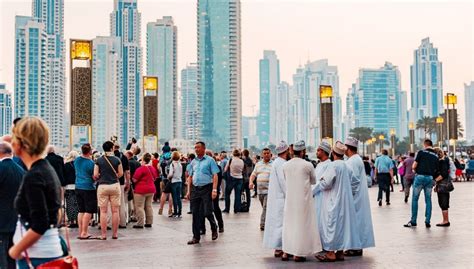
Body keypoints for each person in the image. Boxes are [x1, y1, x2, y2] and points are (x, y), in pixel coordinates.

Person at [8, 117, 64, 268]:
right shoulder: (45, 169)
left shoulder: (34, 176)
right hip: (44, 252)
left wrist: (15, 251)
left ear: (21, 143)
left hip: (36, 257)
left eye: (14, 137)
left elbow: (40, 223)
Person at [314, 141, 359, 262]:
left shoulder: (333, 166)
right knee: (341, 227)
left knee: (331, 226)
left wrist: (315, 188)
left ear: (333, 153)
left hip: (333, 201)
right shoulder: (347, 166)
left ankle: (330, 253)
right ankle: (340, 252)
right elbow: (355, 182)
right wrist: (349, 194)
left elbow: (326, 183)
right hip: (345, 203)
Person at [281, 141, 320, 262]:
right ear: (303, 152)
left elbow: (286, 179)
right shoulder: (308, 165)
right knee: (302, 225)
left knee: (289, 224)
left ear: (292, 151)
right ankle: (298, 253)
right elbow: (313, 181)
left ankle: (286, 252)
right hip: (303, 200)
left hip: (290, 199)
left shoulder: (285, 165)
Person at [344, 137, 375, 257]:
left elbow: (354, 181)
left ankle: (355, 247)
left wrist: (349, 194)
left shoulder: (353, 161)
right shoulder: (356, 159)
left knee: (355, 222)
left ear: (347, 148)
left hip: (355, 197)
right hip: (358, 196)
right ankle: (355, 246)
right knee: (357, 221)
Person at [185, 142, 219, 245]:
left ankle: (214, 227)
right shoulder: (193, 162)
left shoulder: (210, 160)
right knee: (195, 213)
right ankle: (196, 237)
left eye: (198, 147)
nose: (196, 149)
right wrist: (188, 191)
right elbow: (190, 177)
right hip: (195, 189)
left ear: (204, 149)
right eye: (195, 147)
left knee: (207, 212)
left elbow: (215, 175)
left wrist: (214, 190)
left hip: (207, 188)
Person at [0, 142, 25, 269]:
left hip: (2, 220)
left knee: (1, 255)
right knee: (12, 256)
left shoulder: (1, 168)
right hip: (16, 219)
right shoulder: (21, 170)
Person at [404, 139, 439, 228]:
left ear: (425, 145)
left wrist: (415, 171)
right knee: (428, 200)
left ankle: (413, 221)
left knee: (415, 199)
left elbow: (414, 165)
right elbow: (436, 169)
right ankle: (427, 221)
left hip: (420, 177)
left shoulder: (421, 152)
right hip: (430, 178)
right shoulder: (436, 155)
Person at [263, 141, 289, 258]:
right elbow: (284, 183)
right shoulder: (282, 164)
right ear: (286, 151)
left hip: (276, 198)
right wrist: (290, 195)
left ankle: (279, 247)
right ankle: (280, 248)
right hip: (281, 199)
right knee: (281, 223)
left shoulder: (277, 163)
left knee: (277, 223)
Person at [94, 141, 123, 239]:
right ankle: (115, 234)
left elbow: (95, 174)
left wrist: (101, 177)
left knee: (103, 211)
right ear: (112, 148)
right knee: (115, 211)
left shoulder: (99, 160)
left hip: (102, 186)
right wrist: (115, 176)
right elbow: (121, 173)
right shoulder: (117, 159)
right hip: (115, 185)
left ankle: (103, 234)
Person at [74, 143, 97, 240]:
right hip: (88, 187)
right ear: (90, 151)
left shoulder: (77, 160)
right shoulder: (91, 163)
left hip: (78, 186)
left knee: (81, 210)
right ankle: (84, 232)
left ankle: (81, 231)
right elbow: (94, 177)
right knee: (89, 211)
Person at [132, 153, 158, 228]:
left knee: (139, 206)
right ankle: (149, 222)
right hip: (151, 189)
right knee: (148, 206)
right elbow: (155, 177)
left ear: (143, 159)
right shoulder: (152, 168)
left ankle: (140, 223)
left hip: (141, 190)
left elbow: (134, 179)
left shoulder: (141, 168)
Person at [249, 148, 273, 230]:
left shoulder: (274, 164)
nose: (266, 155)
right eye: (264, 153)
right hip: (260, 191)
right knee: (265, 207)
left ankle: (263, 224)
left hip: (269, 190)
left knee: (266, 207)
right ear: (262, 155)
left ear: (270, 154)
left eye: (267, 153)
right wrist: (251, 182)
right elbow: (253, 174)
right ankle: (270, 221)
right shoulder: (258, 164)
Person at [433, 148, 452, 227]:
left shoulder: (442, 161)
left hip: (443, 185)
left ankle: (445, 221)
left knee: (443, 202)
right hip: (443, 184)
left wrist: (435, 181)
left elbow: (443, 174)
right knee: (443, 202)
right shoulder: (445, 160)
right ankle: (445, 220)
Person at [113, 143, 130, 228]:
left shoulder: (108, 157)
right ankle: (122, 222)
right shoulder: (124, 157)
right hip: (121, 182)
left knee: (110, 204)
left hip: (111, 182)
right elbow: (127, 172)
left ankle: (109, 223)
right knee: (122, 203)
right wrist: (128, 182)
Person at [224, 149, 244, 214]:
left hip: (231, 178)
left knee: (227, 194)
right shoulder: (241, 161)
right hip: (240, 178)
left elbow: (225, 169)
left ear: (233, 154)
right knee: (237, 195)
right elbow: (243, 169)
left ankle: (227, 209)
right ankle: (236, 209)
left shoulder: (230, 160)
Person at [63, 151, 79, 228]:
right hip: (77, 186)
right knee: (77, 204)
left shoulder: (66, 165)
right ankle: (77, 220)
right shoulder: (78, 165)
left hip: (68, 186)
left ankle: (71, 221)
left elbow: (64, 176)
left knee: (69, 204)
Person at [168, 151, 183, 218]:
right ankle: (180, 212)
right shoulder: (180, 164)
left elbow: (171, 174)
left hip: (174, 181)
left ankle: (175, 212)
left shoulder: (172, 164)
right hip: (179, 181)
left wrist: (168, 177)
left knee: (174, 198)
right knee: (178, 197)